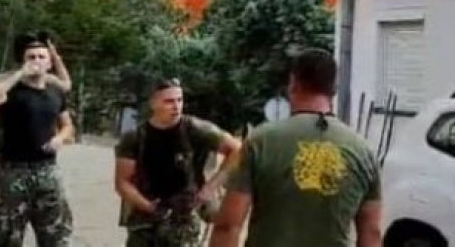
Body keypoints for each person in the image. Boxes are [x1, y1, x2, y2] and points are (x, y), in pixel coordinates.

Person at [209, 48, 383, 247]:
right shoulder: (364, 152)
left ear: (293, 84)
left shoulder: (260, 142)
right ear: (333, 89)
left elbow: (228, 226)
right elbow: (372, 233)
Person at [0, 33, 72, 247]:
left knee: (56, 232)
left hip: (46, 170)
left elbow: (67, 117)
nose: (36, 61)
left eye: (42, 56)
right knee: (2, 232)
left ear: (49, 61)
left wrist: (60, 138)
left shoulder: (53, 88)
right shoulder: (7, 84)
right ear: (21, 59)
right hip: (10, 168)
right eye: (31, 56)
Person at [114, 78, 242, 246]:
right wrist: (147, 206)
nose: (176, 106)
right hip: (144, 219)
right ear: (153, 104)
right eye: (169, 101)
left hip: (184, 217)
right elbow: (122, 182)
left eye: (179, 100)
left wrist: (210, 188)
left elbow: (237, 150)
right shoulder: (135, 138)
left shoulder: (196, 129)